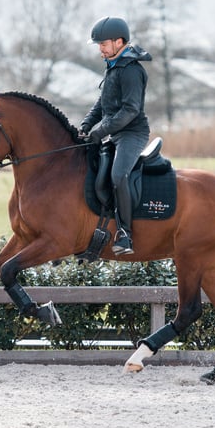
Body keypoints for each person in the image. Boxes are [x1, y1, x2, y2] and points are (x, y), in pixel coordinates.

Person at [79, 16, 152, 255]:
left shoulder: (131, 70)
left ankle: (125, 234)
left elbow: (130, 110)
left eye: (103, 43)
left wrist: (100, 131)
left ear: (119, 42)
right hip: (115, 132)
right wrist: (86, 125)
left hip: (132, 133)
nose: (100, 48)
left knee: (119, 175)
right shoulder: (113, 66)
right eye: (99, 44)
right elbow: (103, 103)